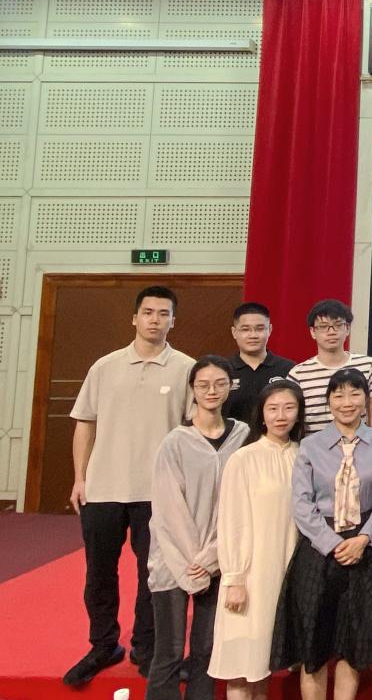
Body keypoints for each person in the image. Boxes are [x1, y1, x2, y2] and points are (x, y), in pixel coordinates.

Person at [65, 285, 195, 686]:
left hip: (157, 492)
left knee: (152, 575)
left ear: (174, 320)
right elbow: (85, 423)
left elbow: (193, 432)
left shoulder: (187, 369)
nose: (155, 320)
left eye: (163, 313)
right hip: (103, 488)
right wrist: (80, 477)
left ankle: (145, 646)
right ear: (134, 318)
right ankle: (103, 644)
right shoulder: (105, 366)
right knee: (99, 573)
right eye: (148, 312)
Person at [272, 368, 372, 700]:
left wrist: (363, 539)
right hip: (319, 550)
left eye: (355, 393)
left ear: (365, 399)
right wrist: (333, 544)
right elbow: (301, 503)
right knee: (314, 642)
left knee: (352, 643)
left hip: (367, 549)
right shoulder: (310, 445)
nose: (347, 402)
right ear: (328, 401)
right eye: (338, 395)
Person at [147, 355, 250, 700]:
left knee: (206, 651)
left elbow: (242, 504)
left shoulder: (243, 436)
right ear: (192, 389)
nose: (211, 391)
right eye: (203, 384)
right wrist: (194, 559)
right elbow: (168, 510)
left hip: (220, 559)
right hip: (174, 558)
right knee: (169, 651)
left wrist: (210, 558)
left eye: (220, 384)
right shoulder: (175, 442)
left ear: (230, 387)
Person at [209, 380, 305, 700]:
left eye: (289, 408)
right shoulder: (244, 458)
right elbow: (232, 521)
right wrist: (235, 577)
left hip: (286, 573)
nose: (281, 416)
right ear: (261, 414)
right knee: (241, 666)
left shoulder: (303, 456)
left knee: (263, 665)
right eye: (273, 408)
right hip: (250, 576)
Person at [288, 299, 372, 432]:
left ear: (347, 328)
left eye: (338, 325)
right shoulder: (298, 374)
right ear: (312, 332)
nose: (331, 332)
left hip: (359, 443)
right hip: (314, 444)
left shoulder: (368, 365)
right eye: (323, 326)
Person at [224, 303, 296, 425]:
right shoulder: (223, 370)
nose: (253, 335)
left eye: (260, 329)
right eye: (245, 329)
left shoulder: (290, 369)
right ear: (234, 332)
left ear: (270, 330)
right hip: (233, 437)